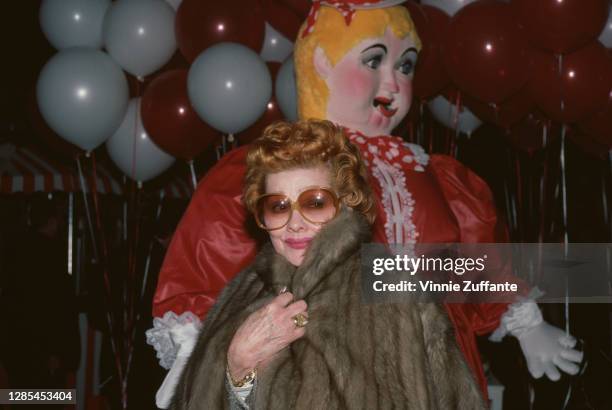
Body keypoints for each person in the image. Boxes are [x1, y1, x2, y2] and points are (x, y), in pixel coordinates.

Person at [148, 1, 583, 407]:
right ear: (320, 60)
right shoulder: (273, 171)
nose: (392, 83)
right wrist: (199, 359)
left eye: (406, 65)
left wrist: (525, 323)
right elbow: (208, 261)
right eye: (373, 60)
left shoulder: (437, 175)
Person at [170, 119, 486, 409]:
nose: (294, 223)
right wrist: (238, 368)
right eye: (278, 206)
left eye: (315, 203)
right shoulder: (240, 296)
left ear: (346, 204)